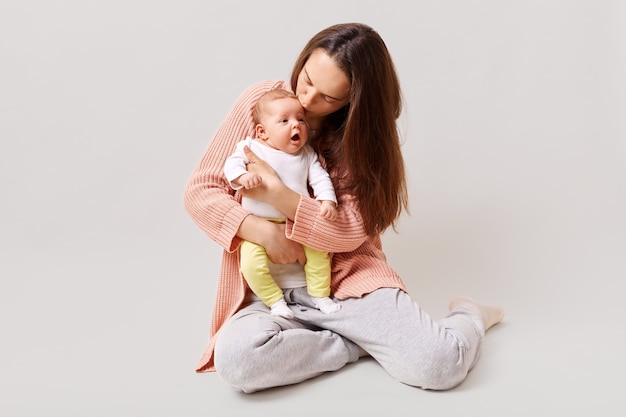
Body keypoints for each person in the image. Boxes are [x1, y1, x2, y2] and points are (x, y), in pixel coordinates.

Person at [184, 22, 504, 394]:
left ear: (353, 102)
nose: (305, 101)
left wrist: (279, 196)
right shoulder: (262, 102)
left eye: (327, 97)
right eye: (305, 79)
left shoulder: (363, 138)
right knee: (237, 361)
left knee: (439, 365)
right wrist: (262, 231)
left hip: (348, 283)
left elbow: (351, 228)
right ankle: (357, 343)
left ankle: (469, 313)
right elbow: (201, 189)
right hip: (270, 290)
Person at [223, 88, 341, 319]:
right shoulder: (251, 148)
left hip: (297, 223)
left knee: (320, 254)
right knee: (250, 266)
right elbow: (231, 165)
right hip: (257, 227)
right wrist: (242, 177)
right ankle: (274, 300)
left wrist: (328, 200)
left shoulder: (307, 154)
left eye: (301, 120)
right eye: (284, 121)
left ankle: (320, 295)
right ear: (262, 131)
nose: (296, 125)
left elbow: (320, 178)